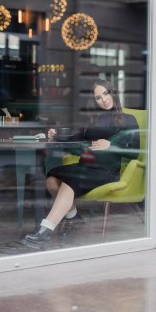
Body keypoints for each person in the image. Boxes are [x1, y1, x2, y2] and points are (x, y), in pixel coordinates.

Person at [21, 79, 140, 248]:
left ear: (113, 93)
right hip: (86, 166)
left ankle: (44, 232)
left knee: (70, 182)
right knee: (51, 179)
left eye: (106, 94)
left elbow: (135, 152)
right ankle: (73, 218)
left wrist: (111, 146)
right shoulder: (93, 119)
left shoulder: (128, 119)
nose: (104, 100)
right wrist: (55, 135)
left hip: (106, 171)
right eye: (98, 97)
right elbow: (74, 137)